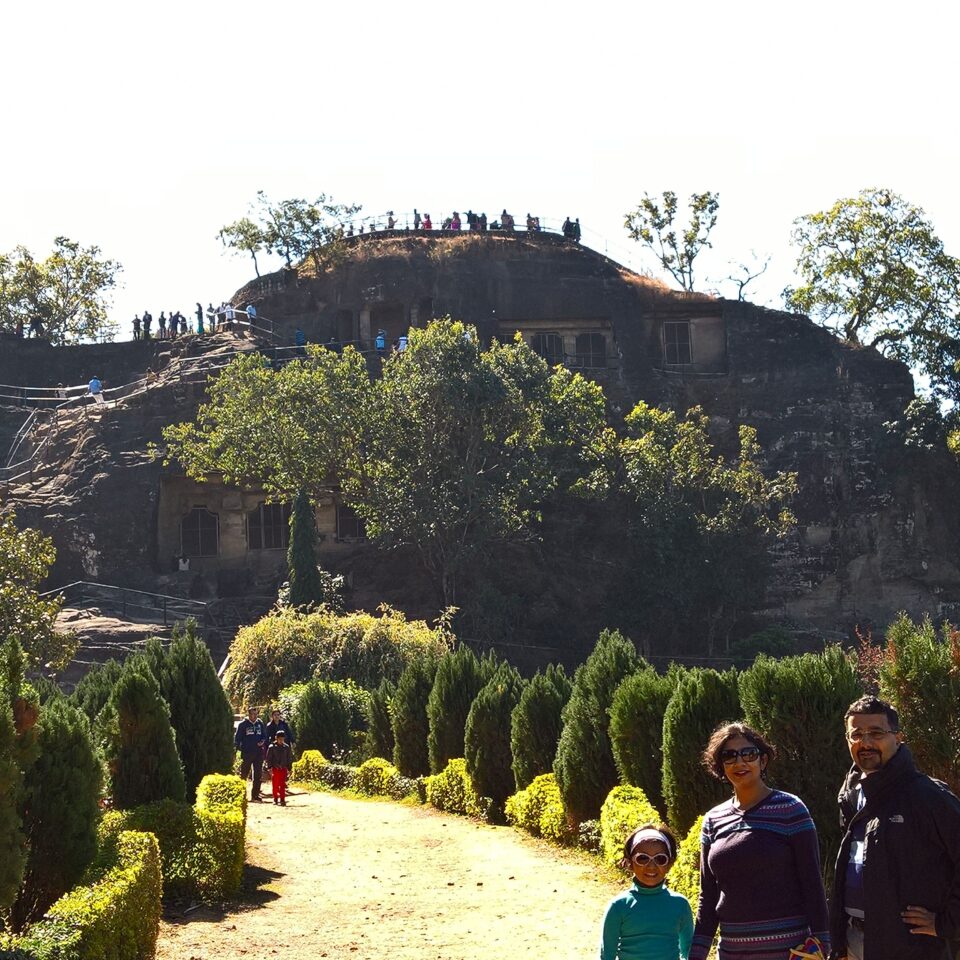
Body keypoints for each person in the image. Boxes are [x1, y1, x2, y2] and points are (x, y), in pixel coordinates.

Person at [830, 696, 960, 960]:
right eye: (856, 734)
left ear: (898, 737)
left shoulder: (928, 796)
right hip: (855, 940)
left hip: (912, 947)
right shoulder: (851, 794)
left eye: (876, 733)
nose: (865, 742)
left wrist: (947, 922)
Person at [690, 722, 829, 960]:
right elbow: (708, 896)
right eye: (729, 756)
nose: (740, 762)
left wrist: (823, 942)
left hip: (789, 952)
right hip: (732, 952)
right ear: (720, 766)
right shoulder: (713, 820)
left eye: (749, 754)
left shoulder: (790, 809)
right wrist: (697, 953)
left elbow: (812, 882)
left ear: (763, 761)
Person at [599, 822, 693, 960]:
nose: (651, 866)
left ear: (670, 864)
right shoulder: (618, 906)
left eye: (660, 859)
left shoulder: (680, 905)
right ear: (630, 862)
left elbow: (689, 950)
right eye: (642, 858)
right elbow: (606, 954)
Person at [234, 706, 266, 802]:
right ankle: (241, 794)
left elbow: (264, 736)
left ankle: (255, 795)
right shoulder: (243, 724)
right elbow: (237, 739)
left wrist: (262, 742)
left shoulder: (260, 723)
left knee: (258, 774)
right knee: (244, 774)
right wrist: (239, 749)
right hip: (247, 753)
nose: (254, 716)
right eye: (252, 714)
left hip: (258, 753)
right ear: (249, 714)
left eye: (256, 714)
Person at [265, 728, 293, 806]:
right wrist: (269, 768)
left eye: (282, 739)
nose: (281, 740)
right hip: (275, 768)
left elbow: (289, 758)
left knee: (282, 784)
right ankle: (275, 798)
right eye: (279, 739)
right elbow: (268, 758)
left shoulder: (286, 747)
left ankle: (282, 799)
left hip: (283, 768)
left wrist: (289, 768)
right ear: (276, 738)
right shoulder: (272, 747)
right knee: (275, 785)